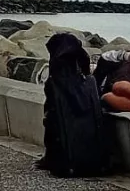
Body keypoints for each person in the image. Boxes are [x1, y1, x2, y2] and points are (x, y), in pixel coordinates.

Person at [37, 33, 113, 176]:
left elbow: (51, 120)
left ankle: (54, 159)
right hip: (97, 161)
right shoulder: (89, 81)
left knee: (52, 119)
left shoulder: (55, 81)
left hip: (68, 163)